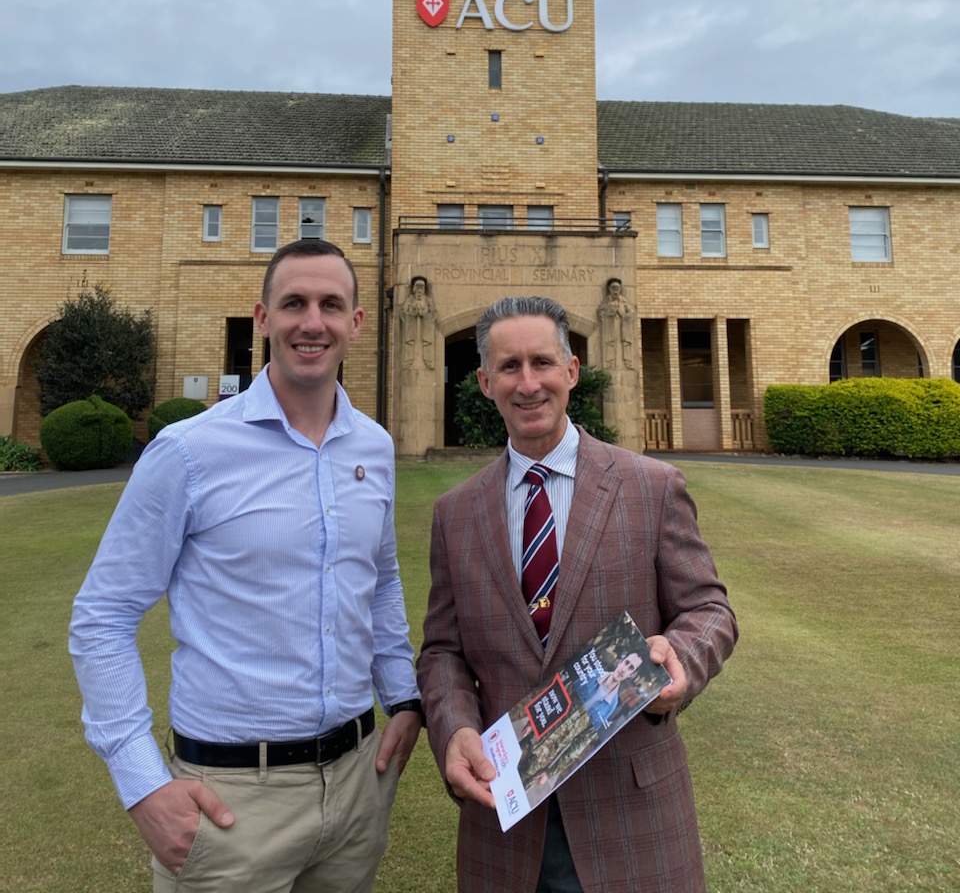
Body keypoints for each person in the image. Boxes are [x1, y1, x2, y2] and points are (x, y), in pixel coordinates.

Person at [70, 238, 423, 893]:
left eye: (330, 304)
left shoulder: (373, 447)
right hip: (232, 800)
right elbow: (103, 616)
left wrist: (402, 693)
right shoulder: (188, 452)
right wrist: (143, 783)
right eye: (293, 303)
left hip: (355, 788)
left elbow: (379, 578)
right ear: (262, 318)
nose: (311, 322)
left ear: (356, 322)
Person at [418, 295, 737, 893]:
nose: (528, 382)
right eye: (509, 367)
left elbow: (710, 610)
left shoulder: (650, 486)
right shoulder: (454, 514)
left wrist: (682, 662)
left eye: (543, 362)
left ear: (572, 371)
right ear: (485, 382)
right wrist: (455, 728)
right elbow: (442, 652)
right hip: (505, 821)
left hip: (631, 814)